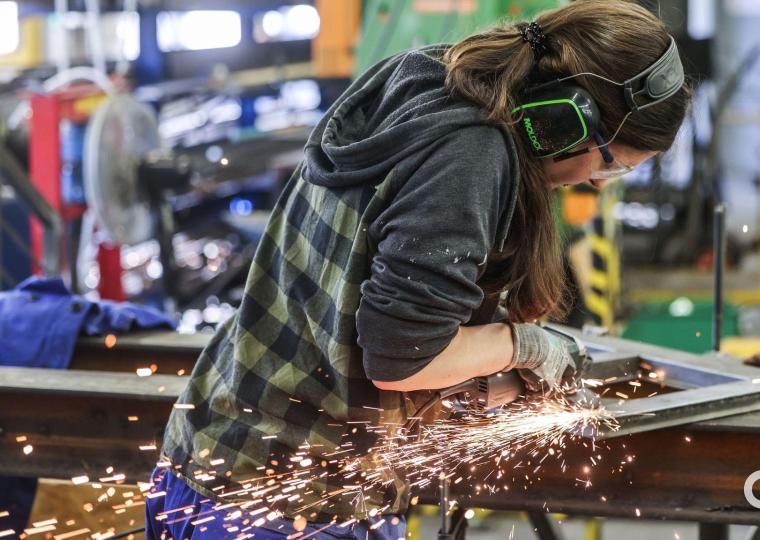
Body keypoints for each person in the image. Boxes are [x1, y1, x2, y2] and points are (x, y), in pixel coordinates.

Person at [146, 1, 689, 538]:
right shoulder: (471, 155)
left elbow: (373, 300)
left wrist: (492, 378)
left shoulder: (433, 76)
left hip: (211, 450)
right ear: (564, 119)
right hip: (283, 504)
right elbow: (400, 358)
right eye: (611, 161)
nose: (598, 181)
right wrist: (525, 345)